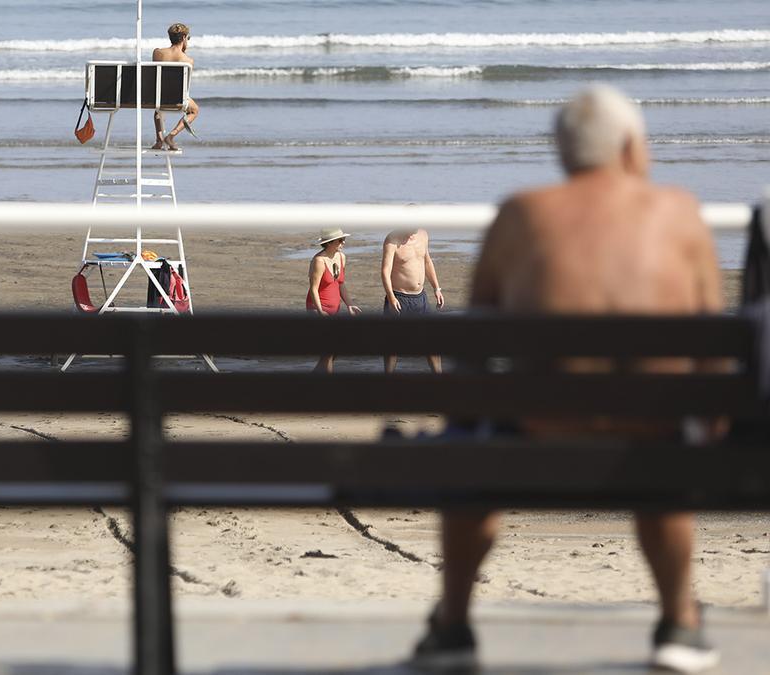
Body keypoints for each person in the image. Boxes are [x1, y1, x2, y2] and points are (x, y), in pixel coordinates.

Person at [411, 85, 724, 673]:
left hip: (539, 432)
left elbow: (473, 348)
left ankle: (452, 626)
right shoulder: (679, 211)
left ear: (563, 152)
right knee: (668, 440)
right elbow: (709, 342)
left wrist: (467, 424)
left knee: (469, 453)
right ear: (632, 147)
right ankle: (680, 621)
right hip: (653, 438)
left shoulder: (520, 213)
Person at [380, 228, 444, 373]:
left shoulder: (423, 235)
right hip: (399, 297)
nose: (411, 233)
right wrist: (390, 297)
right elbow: (385, 270)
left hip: (420, 298)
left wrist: (436, 288)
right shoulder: (392, 240)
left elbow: (427, 261)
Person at [306, 227, 361, 373]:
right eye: (340, 240)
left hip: (334, 309)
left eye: (344, 239)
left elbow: (340, 283)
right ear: (330, 243)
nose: (343, 242)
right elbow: (313, 289)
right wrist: (320, 311)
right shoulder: (319, 261)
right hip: (317, 308)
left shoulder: (342, 257)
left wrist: (349, 304)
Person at [151, 22, 199, 152]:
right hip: (177, 97)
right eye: (188, 38)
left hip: (158, 96)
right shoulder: (188, 60)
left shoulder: (157, 53)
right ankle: (171, 136)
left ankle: (159, 139)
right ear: (183, 38)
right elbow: (185, 85)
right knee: (194, 110)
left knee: (158, 108)